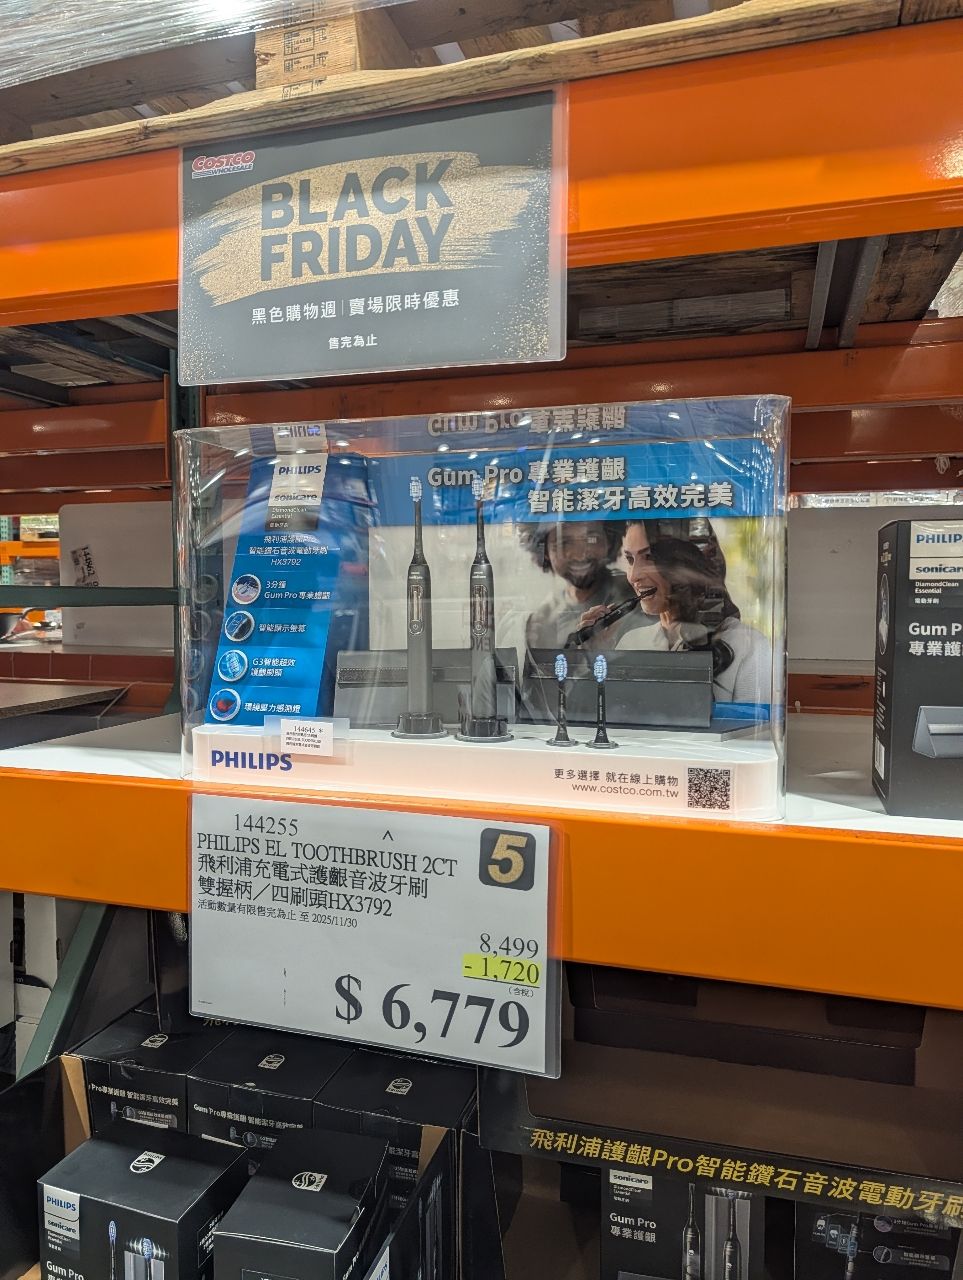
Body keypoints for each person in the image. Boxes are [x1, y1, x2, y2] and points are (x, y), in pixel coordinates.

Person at [580, 524, 772, 704]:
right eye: (630, 560)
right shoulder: (632, 642)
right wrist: (599, 656)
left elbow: (753, 727)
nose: (633, 576)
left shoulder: (748, 647)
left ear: (686, 564)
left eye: (649, 557)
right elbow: (612, 713)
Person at [518, 519, 647, 652]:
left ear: (609, 541)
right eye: (564, 543)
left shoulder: (642, 596)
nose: (579, 555)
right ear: (544, 551)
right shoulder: (540, 621)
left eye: (592, 539)